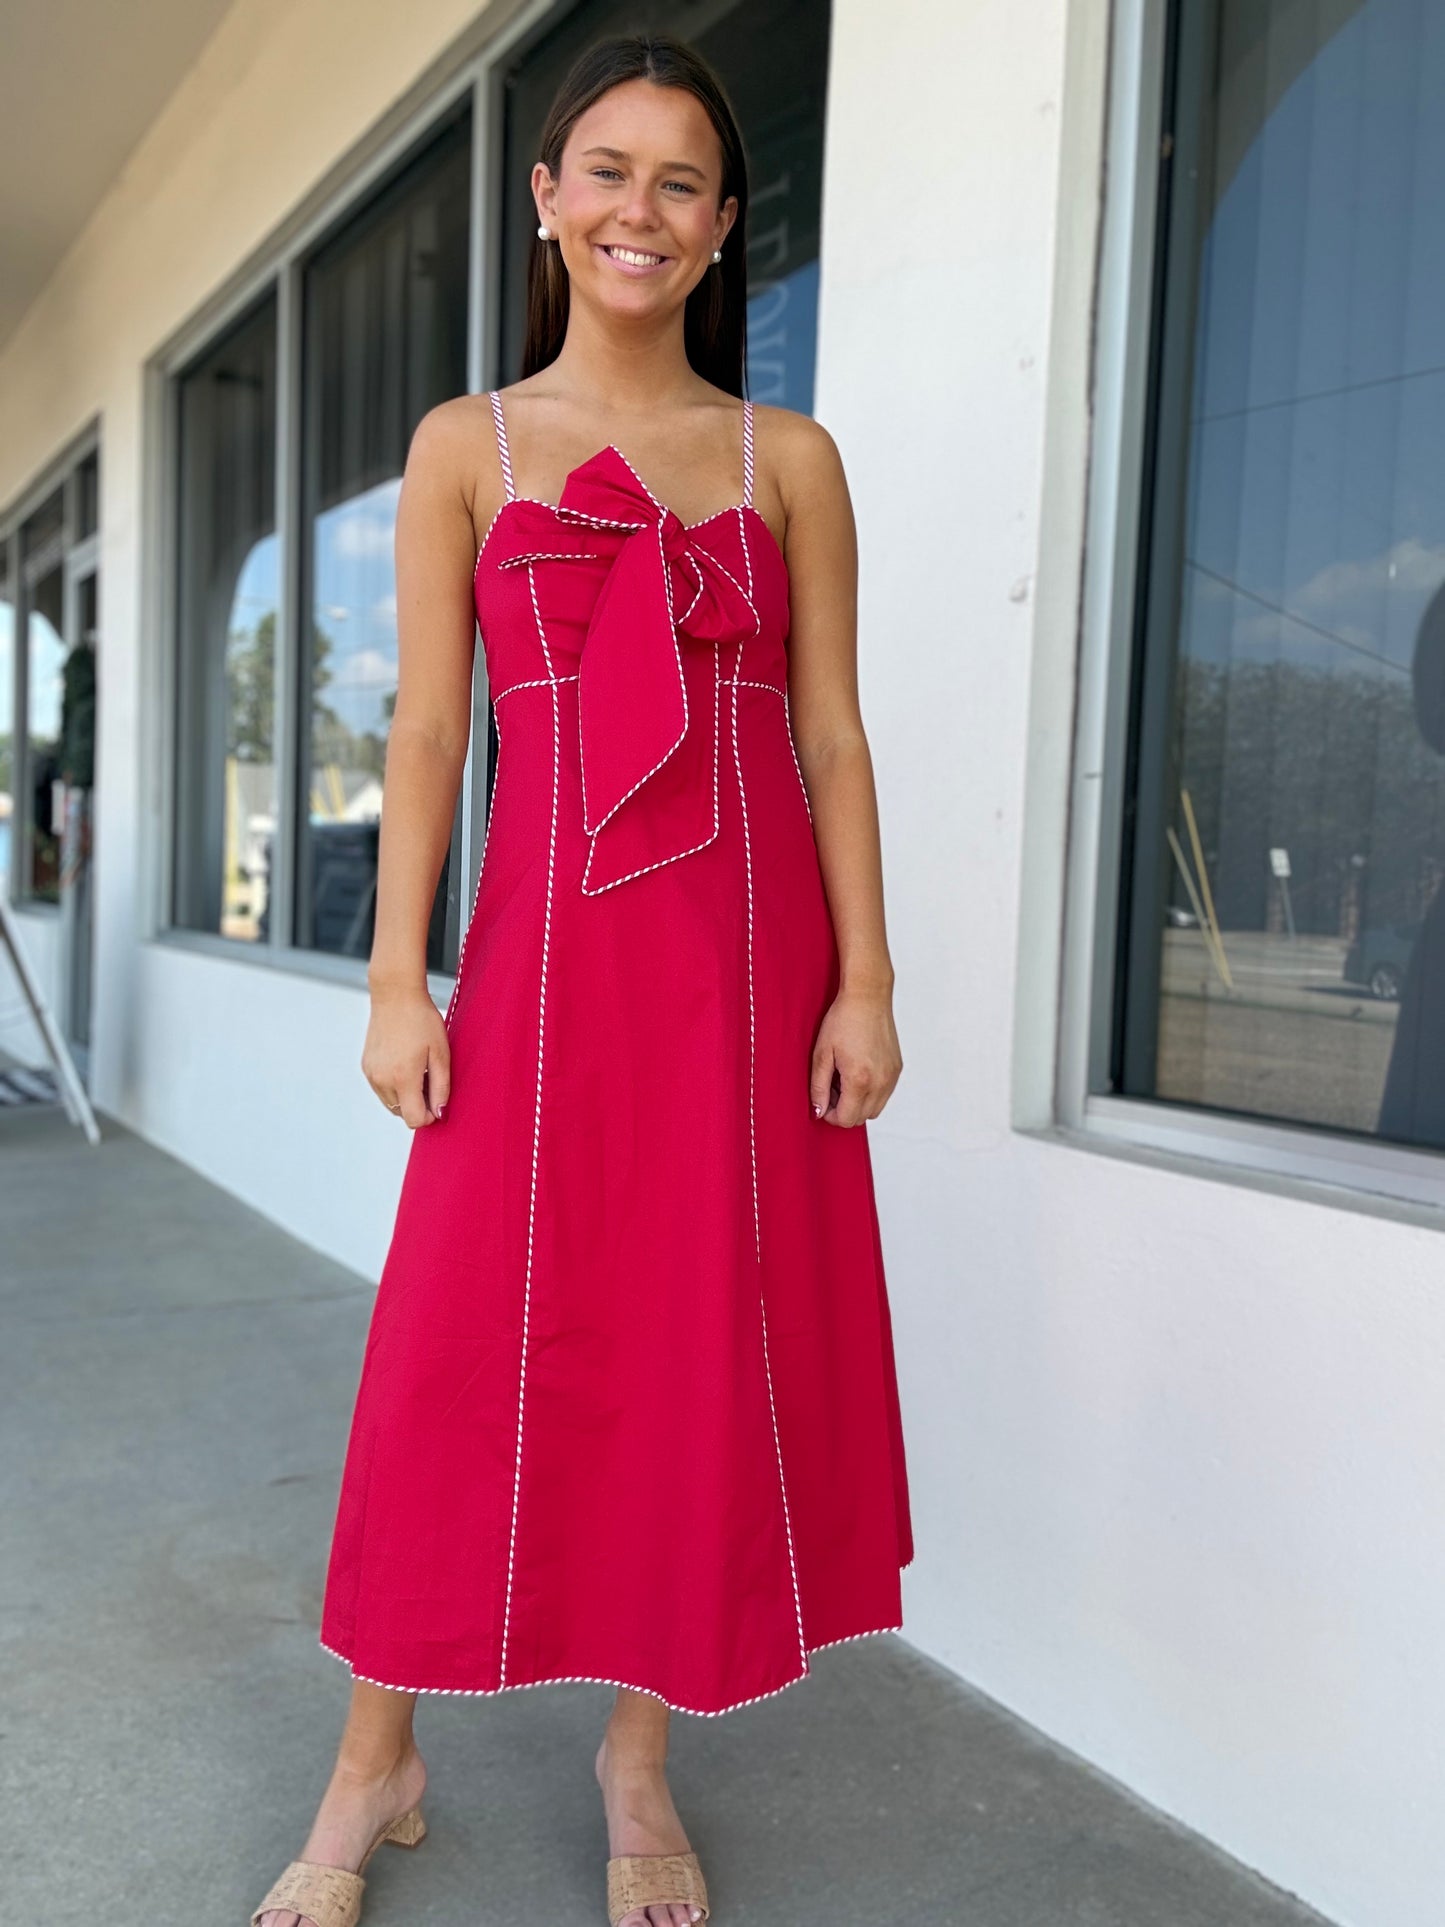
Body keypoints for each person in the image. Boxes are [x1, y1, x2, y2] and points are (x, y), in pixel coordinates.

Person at [252, 31, 912, 1927]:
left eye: (681, 180)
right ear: (546, 201)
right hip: (537, 981)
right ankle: (375, 1760)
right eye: (606, 171)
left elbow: (832, 735)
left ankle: (638, 1760)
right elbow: (429, 733)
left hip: (746, 984)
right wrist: (397, 978)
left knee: (697, 1354)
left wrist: (866, 982)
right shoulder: (466, 446)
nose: (642, 209)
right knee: (451, 1358)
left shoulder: (788, 461)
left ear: (721, 224)